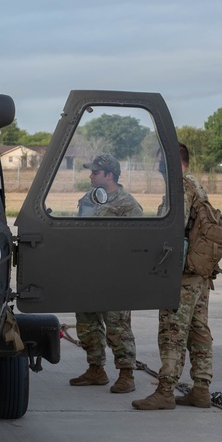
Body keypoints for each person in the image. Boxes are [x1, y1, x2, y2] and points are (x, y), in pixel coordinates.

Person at [133, 143, 214, 410]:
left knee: (172, 330)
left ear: (174, 160)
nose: (158, 165)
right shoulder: (196, 185)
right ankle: (201, 389)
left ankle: (165, 390)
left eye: (160, 160)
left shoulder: (180, 187)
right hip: (200, 273)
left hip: (183, 275)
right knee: (198, 329)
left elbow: (172, 230)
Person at [70, 154, 143, 394]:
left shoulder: (127, 204)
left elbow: (139, 241)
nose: (90, 175)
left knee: (117, 326)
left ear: (109, 175)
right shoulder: (88, 199)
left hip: (115, 275)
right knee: (87, 323)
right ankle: (96, 369)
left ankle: (126, 373)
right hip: (89, 272)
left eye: (95, 172)